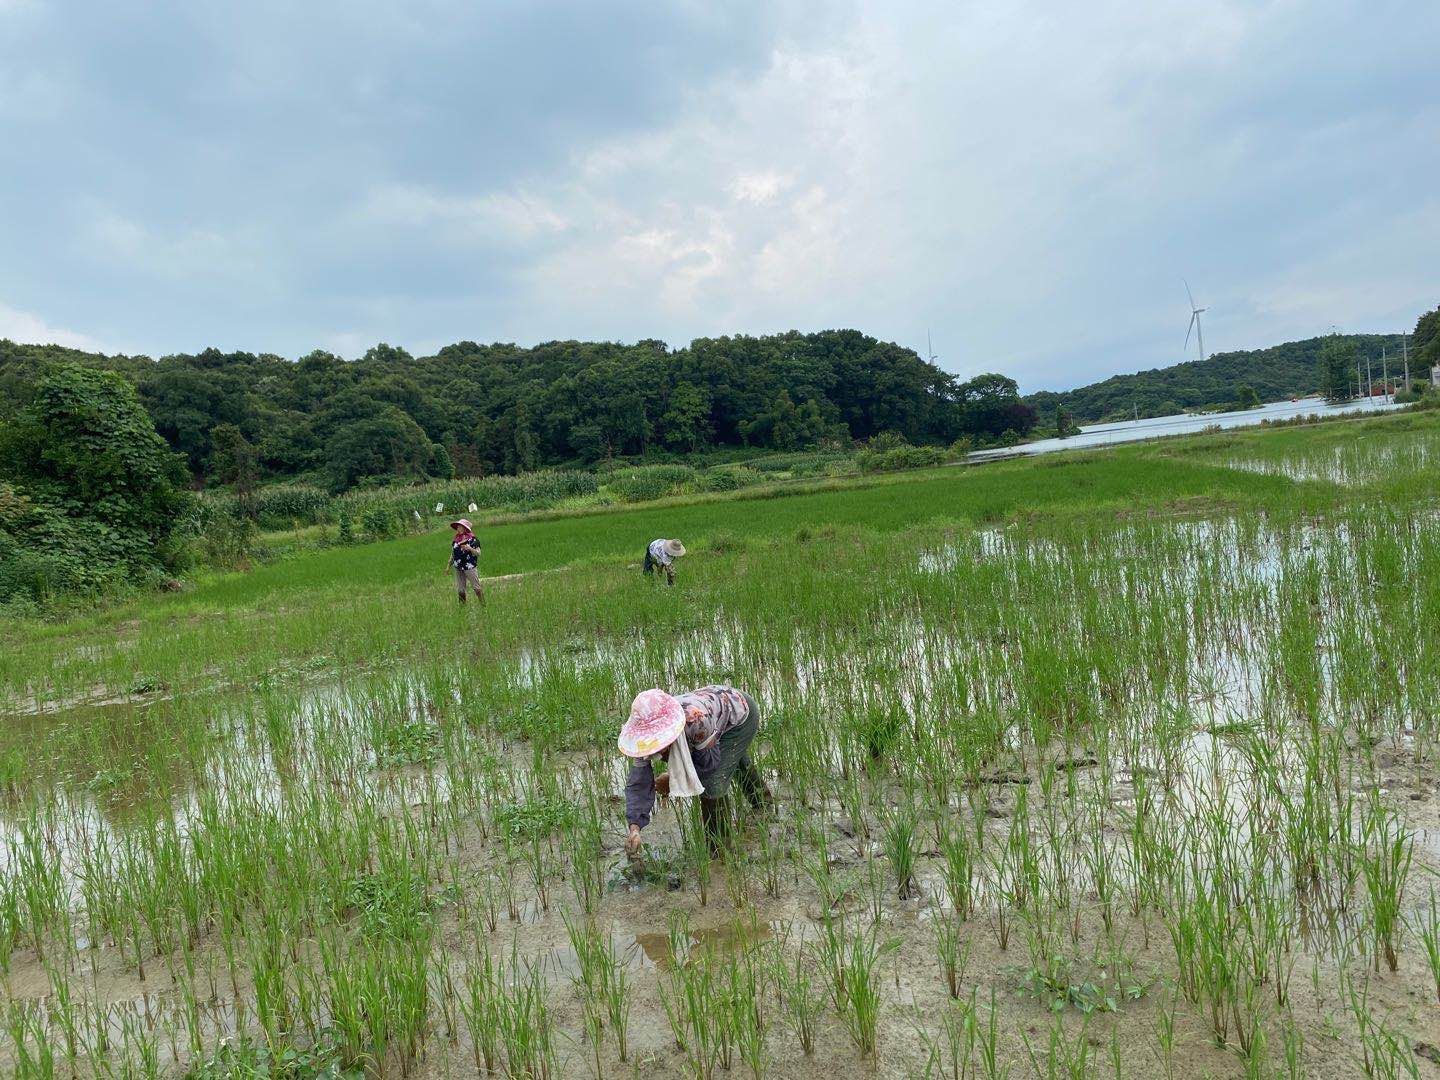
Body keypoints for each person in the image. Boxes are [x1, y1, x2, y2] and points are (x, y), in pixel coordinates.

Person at [619, 685, 771, 855]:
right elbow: (639, 784)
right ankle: (764, 804)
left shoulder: (696, 722)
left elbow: (709, 766)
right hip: (716, 715)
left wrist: (672, 779)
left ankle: (720, 851)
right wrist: (635, 828)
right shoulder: (641, 741)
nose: (656, 748)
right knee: (732, 759)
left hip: (740, 715)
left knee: (713, 782)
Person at [449, 518, 483, 604]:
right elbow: (453, 553)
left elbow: (478, 553)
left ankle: (483, 604)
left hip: (469, 566)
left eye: (460, 527)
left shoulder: (473, 540)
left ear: (465, 528)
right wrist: (449, 565)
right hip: (458, 567)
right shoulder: (456, 540)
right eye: (457, 527)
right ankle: (462, 608)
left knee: (476, 587)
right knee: (460, 589)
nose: (458, 529)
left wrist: (470, 548)